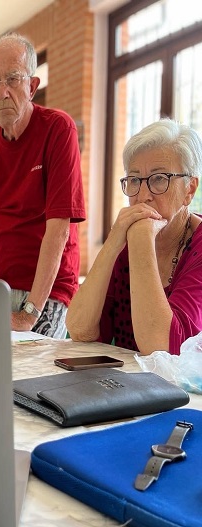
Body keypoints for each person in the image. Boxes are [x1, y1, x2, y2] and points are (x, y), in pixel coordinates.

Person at [0, 32, 86, 338]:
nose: (3, 92)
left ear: (32, 86)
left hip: (49, 293)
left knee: (29, 364)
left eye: (13, 79)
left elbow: (59, 229)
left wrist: (30, 312)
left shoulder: (58, 129)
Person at [66, 119, 202, 355]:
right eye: (135, 180)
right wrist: (113, 241)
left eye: (159, 178)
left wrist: (141, 239)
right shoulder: (124, 245)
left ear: (189, 189)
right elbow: (80, 329)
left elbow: (162, 349)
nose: (142, 196)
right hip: (128, 378)